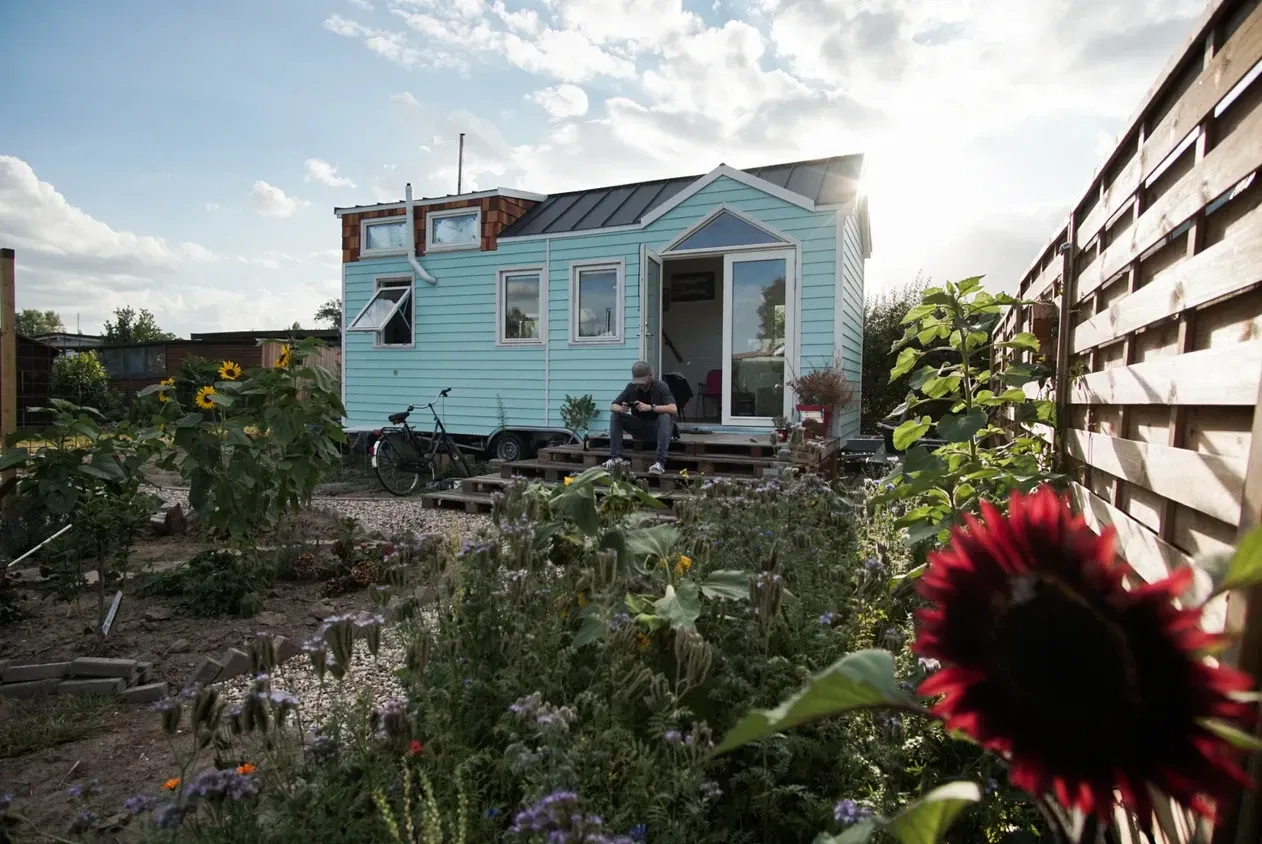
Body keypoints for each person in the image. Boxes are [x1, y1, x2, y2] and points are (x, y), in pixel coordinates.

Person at [604, 361, 678, 474]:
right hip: (640, 427)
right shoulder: (631, 387)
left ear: (650, 375)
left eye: (642, 381)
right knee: (615, 416)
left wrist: (650, 407)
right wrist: (622, 409)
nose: (640, 384)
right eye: (638, 382)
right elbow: (613, 406)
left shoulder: (660, 386)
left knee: (665, 416)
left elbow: (673, 408)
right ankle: (616, 458)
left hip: (658, 429)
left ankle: (659, 462)